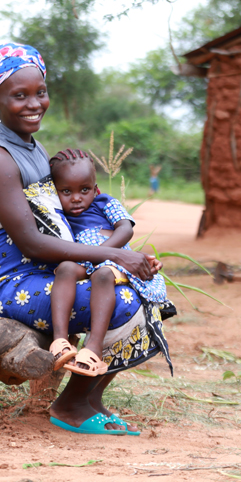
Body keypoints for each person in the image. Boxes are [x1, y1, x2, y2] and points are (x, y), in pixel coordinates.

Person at [0, 42, 175, 435]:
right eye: (19, 95)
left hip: (40, 271)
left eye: (39, 92)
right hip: (4, 282)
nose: (33, 104)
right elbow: (31, 243)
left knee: (151, 288)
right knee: (124, 300)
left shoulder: (33, 148)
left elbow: (70, 210)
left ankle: (90, 399)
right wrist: (115, 258)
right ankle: (73, 405)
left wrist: (116, 252)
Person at [48, 150, 172, 378]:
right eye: (66, 191)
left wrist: (103, 253)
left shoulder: (104, 203)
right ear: (55, 193)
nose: (76, 198)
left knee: (103, 275)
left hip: (114, 260)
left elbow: (125, 228)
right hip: (83, 262)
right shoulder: (57, 215)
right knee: (65, 269)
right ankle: (60, 342)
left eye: (84, 190)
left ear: (95, 189)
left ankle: (93, 347)